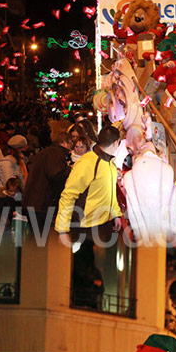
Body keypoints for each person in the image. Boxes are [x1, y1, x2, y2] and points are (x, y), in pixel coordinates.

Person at [55, 124, 121, 309]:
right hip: (84, 225)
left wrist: (115, 214)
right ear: (116, 143)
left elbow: (110, 194)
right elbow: (68, 195)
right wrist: (62, 229)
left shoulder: (109, 163)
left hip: (101, 225)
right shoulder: (88, 163)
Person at [21, 121, 71, 231]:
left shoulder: (47, 151)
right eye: (70, 144)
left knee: (37, 237)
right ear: (64, 142)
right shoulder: (56, 153)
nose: (71, 148)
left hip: (34, 201)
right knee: (40, 237)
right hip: (40, 203)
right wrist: (69, 169)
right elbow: (55, 174)